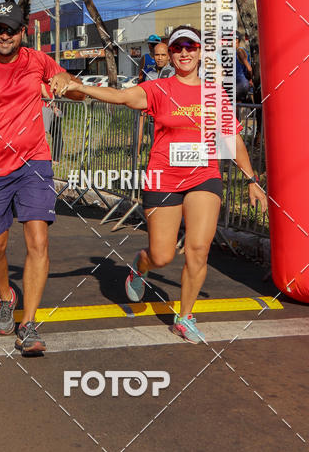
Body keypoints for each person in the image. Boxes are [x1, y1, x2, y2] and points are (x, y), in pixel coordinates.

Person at [52, 25, 267, 345]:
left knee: (198, 248)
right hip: (163, 177)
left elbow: (232, 138)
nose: (184, 53)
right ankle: (141, 265)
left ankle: (185, 317)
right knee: (162, 254)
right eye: (178, 48)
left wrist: (251, 179)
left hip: (204, 176)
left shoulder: (214, 94)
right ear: (172, 53)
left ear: (200, 52)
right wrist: (77, 84)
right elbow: (120, 96)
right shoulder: (158, 89)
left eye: (190, 47)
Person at [0, 2, 85, 356]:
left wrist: (67, 82)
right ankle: (6, 297)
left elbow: (79, 91)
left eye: (11, 29)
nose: (4, 36)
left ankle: (29, 324)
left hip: (34, 162)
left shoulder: (38, 61)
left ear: (23, 31)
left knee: (38, 240)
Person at [137, 42, 175, 155]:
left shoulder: (174, 73)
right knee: (156, 147)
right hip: (153, 119)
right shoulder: (150, 74)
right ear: (153, 56)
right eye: (157, 55)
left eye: (163, 55)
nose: (160, 58)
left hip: (170, 118)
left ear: (169, 56)